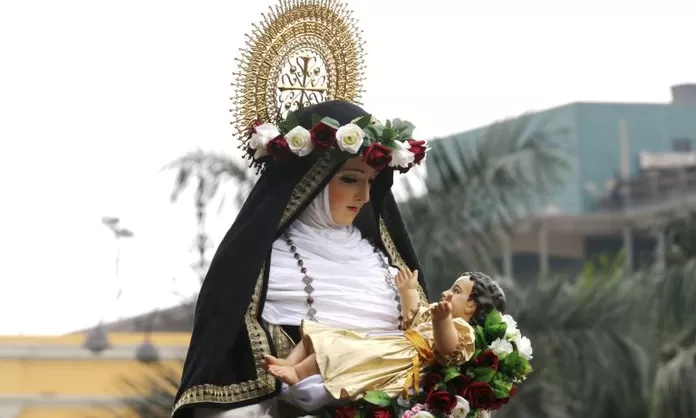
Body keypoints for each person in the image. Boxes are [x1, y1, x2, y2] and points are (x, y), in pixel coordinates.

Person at [172, 100, 431, 418]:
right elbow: (227, 387)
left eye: (371, 181)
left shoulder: (388, 266)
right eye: (350, 179)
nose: (363, 196)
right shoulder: (256, 270)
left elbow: (425, 347)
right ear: (313, 180)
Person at [263, 269, 482, 401]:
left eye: (456, 291)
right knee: (330, 336)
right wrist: (408, 291)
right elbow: (412, 317)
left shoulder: (464, 331)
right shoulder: (433, 312)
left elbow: (449, 349)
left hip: (399, 359)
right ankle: (290, 362)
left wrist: (443, 321)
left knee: (343, 351)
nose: (446, 293)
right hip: (393, 344)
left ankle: (298, 374)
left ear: (471, 305)